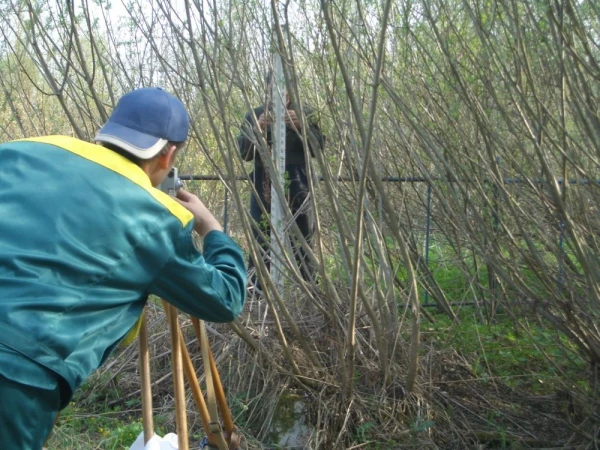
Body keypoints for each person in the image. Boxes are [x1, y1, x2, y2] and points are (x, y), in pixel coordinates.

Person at [0, 87, 247, 449]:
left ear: (108, 131)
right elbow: (225, 299)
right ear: (169, 156)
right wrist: (212, 231)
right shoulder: (157, 220)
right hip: (16, 374)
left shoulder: (22, 151)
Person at [237, 75, 324, 290]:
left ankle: (308, 292)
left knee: (302, 239)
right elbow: (244, 153)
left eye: (283, 91)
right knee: (261, 238)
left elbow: (318, 148)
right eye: (272, 90)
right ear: (266, 90)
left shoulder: (305, 112)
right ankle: (257, 293)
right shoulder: (255, 114)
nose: (278, 96)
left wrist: (302, 126)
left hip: (299, 183)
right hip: (263, 182)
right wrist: (257, 129)